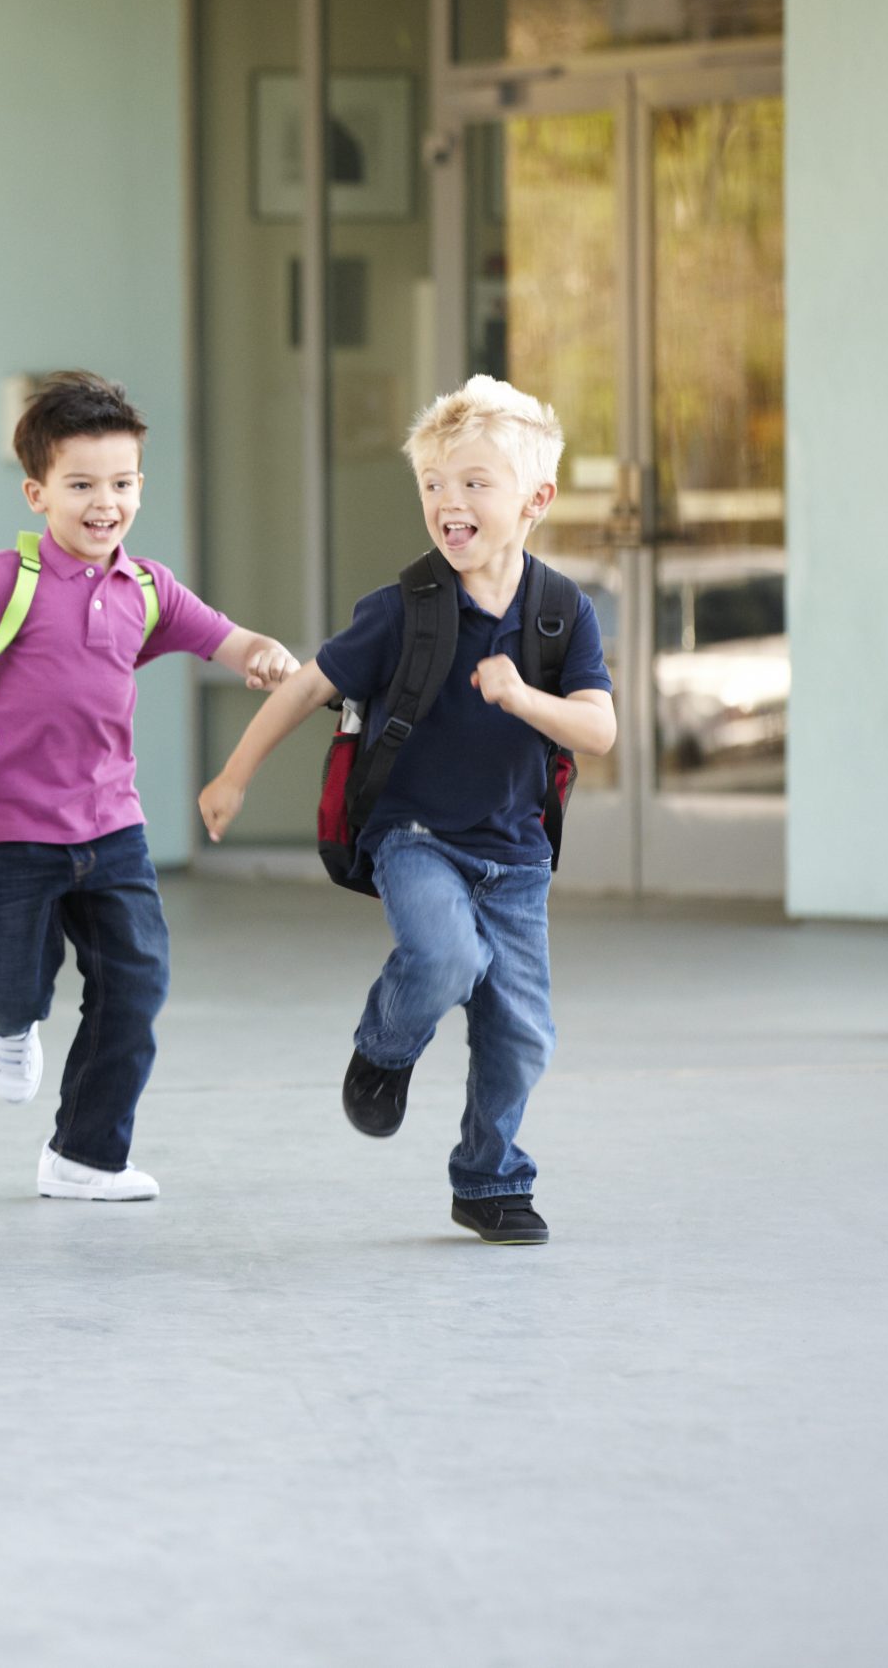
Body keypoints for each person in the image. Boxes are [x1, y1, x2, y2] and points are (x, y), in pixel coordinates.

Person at [198, 375, 615, 1244]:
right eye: (433, 483)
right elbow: (311, 681)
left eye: (473, 483)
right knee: (445, 954)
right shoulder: (402, 611)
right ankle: (384, 1050)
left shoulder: (561, 614)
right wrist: (235, 773)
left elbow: (599, 729)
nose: (447, 501)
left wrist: (522, 699)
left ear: (534, 500)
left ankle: (490, 1180)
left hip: (516, 855)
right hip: (414, 836)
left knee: (523, 1032)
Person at [0, 371, 300, 1201]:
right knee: (14, 983)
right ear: (37, 491)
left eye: (121, 484)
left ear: (139, 487)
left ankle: (85, 1156)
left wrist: (265, 655)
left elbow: (229, 639)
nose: (104, 503)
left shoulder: (148, 588)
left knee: (138, 980)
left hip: (111, 826)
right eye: (81, 484)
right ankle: (9, 1020)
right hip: (5, 828)